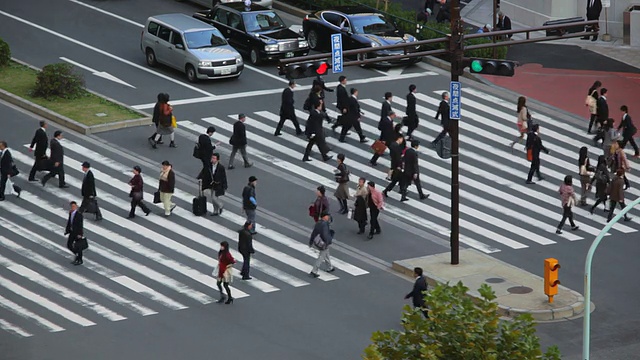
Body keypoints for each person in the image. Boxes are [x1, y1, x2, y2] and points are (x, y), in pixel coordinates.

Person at [308, 212, 335, 278]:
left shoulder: (319, 222)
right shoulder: (324, 224)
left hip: (318, 241)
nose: (328, 217)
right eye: (327, 216)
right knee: (321, 256)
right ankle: (314, 270)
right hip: (323, 243)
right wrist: (328, 242)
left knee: (326, 254)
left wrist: (311, 242)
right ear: (324, 216)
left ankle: (330, 267)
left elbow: (314, 232)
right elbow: (325, 235)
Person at [383, 134, 407, 200]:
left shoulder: (392, 145)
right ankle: (403, 195)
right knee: (400, 180)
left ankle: (402, 194)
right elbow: (398, 157)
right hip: (397, 166)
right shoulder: (396, 147)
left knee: (396, 180)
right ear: (399, 138)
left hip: (394, 164)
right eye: (402, 139)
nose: (402, 141)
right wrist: (400, 166)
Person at [64, 201, 85, 265]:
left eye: (74, 206)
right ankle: (77, 255)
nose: (73, 207)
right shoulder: (71, 213)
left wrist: (80, 234)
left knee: (78, 246)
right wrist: (67, 230)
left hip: (77, 233)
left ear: (76, 206)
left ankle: (79, 259)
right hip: (72, 232)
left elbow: (80, 225)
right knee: (69, 245)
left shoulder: (79, 214)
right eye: (72, 206)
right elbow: (69, 222)